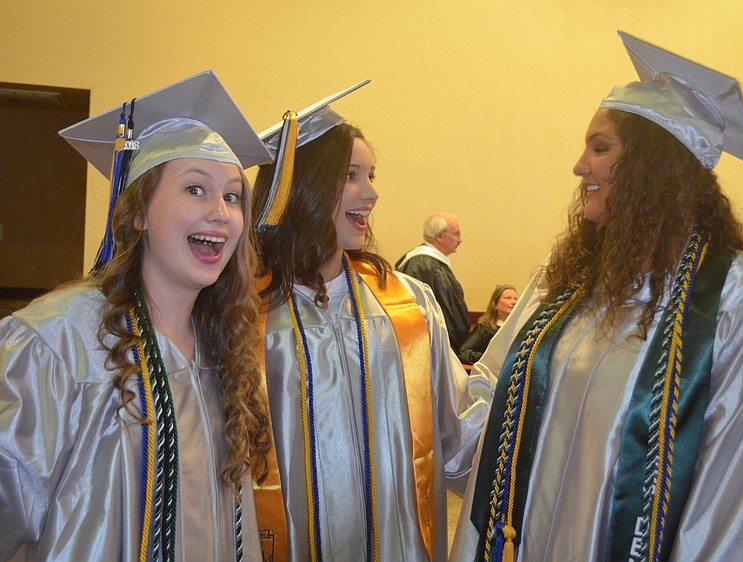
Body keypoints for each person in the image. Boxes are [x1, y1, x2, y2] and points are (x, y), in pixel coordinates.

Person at [450, 32, 743, 562]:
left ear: (654, 167)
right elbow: (487, 400)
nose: (579, 167)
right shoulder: (567, 284)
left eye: (600, 148)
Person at [0, 71, 272, 561]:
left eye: (232, 197)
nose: (220, 212)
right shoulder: (58, 340)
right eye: (195, 189)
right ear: (139, 211)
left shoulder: (224, 345)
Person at [253, 84, 491, 562]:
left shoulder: (405, 303)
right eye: (352, 176)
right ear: (303, 188)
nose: (373, 192)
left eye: (372, 175)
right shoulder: (247, 317)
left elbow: (458, 428)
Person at [396, 214, 471, 354]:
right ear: (439, 236)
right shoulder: (422, 265)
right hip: (431, 349)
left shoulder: (433, 264)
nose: (460, 240)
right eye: (456, 234)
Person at [458, 284, 518, 364]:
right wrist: (488, 359)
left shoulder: (520, 329)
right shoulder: (485, 329)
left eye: (515, 299)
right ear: (495, 304)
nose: (513, 302)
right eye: (508, 298)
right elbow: (464, 352)